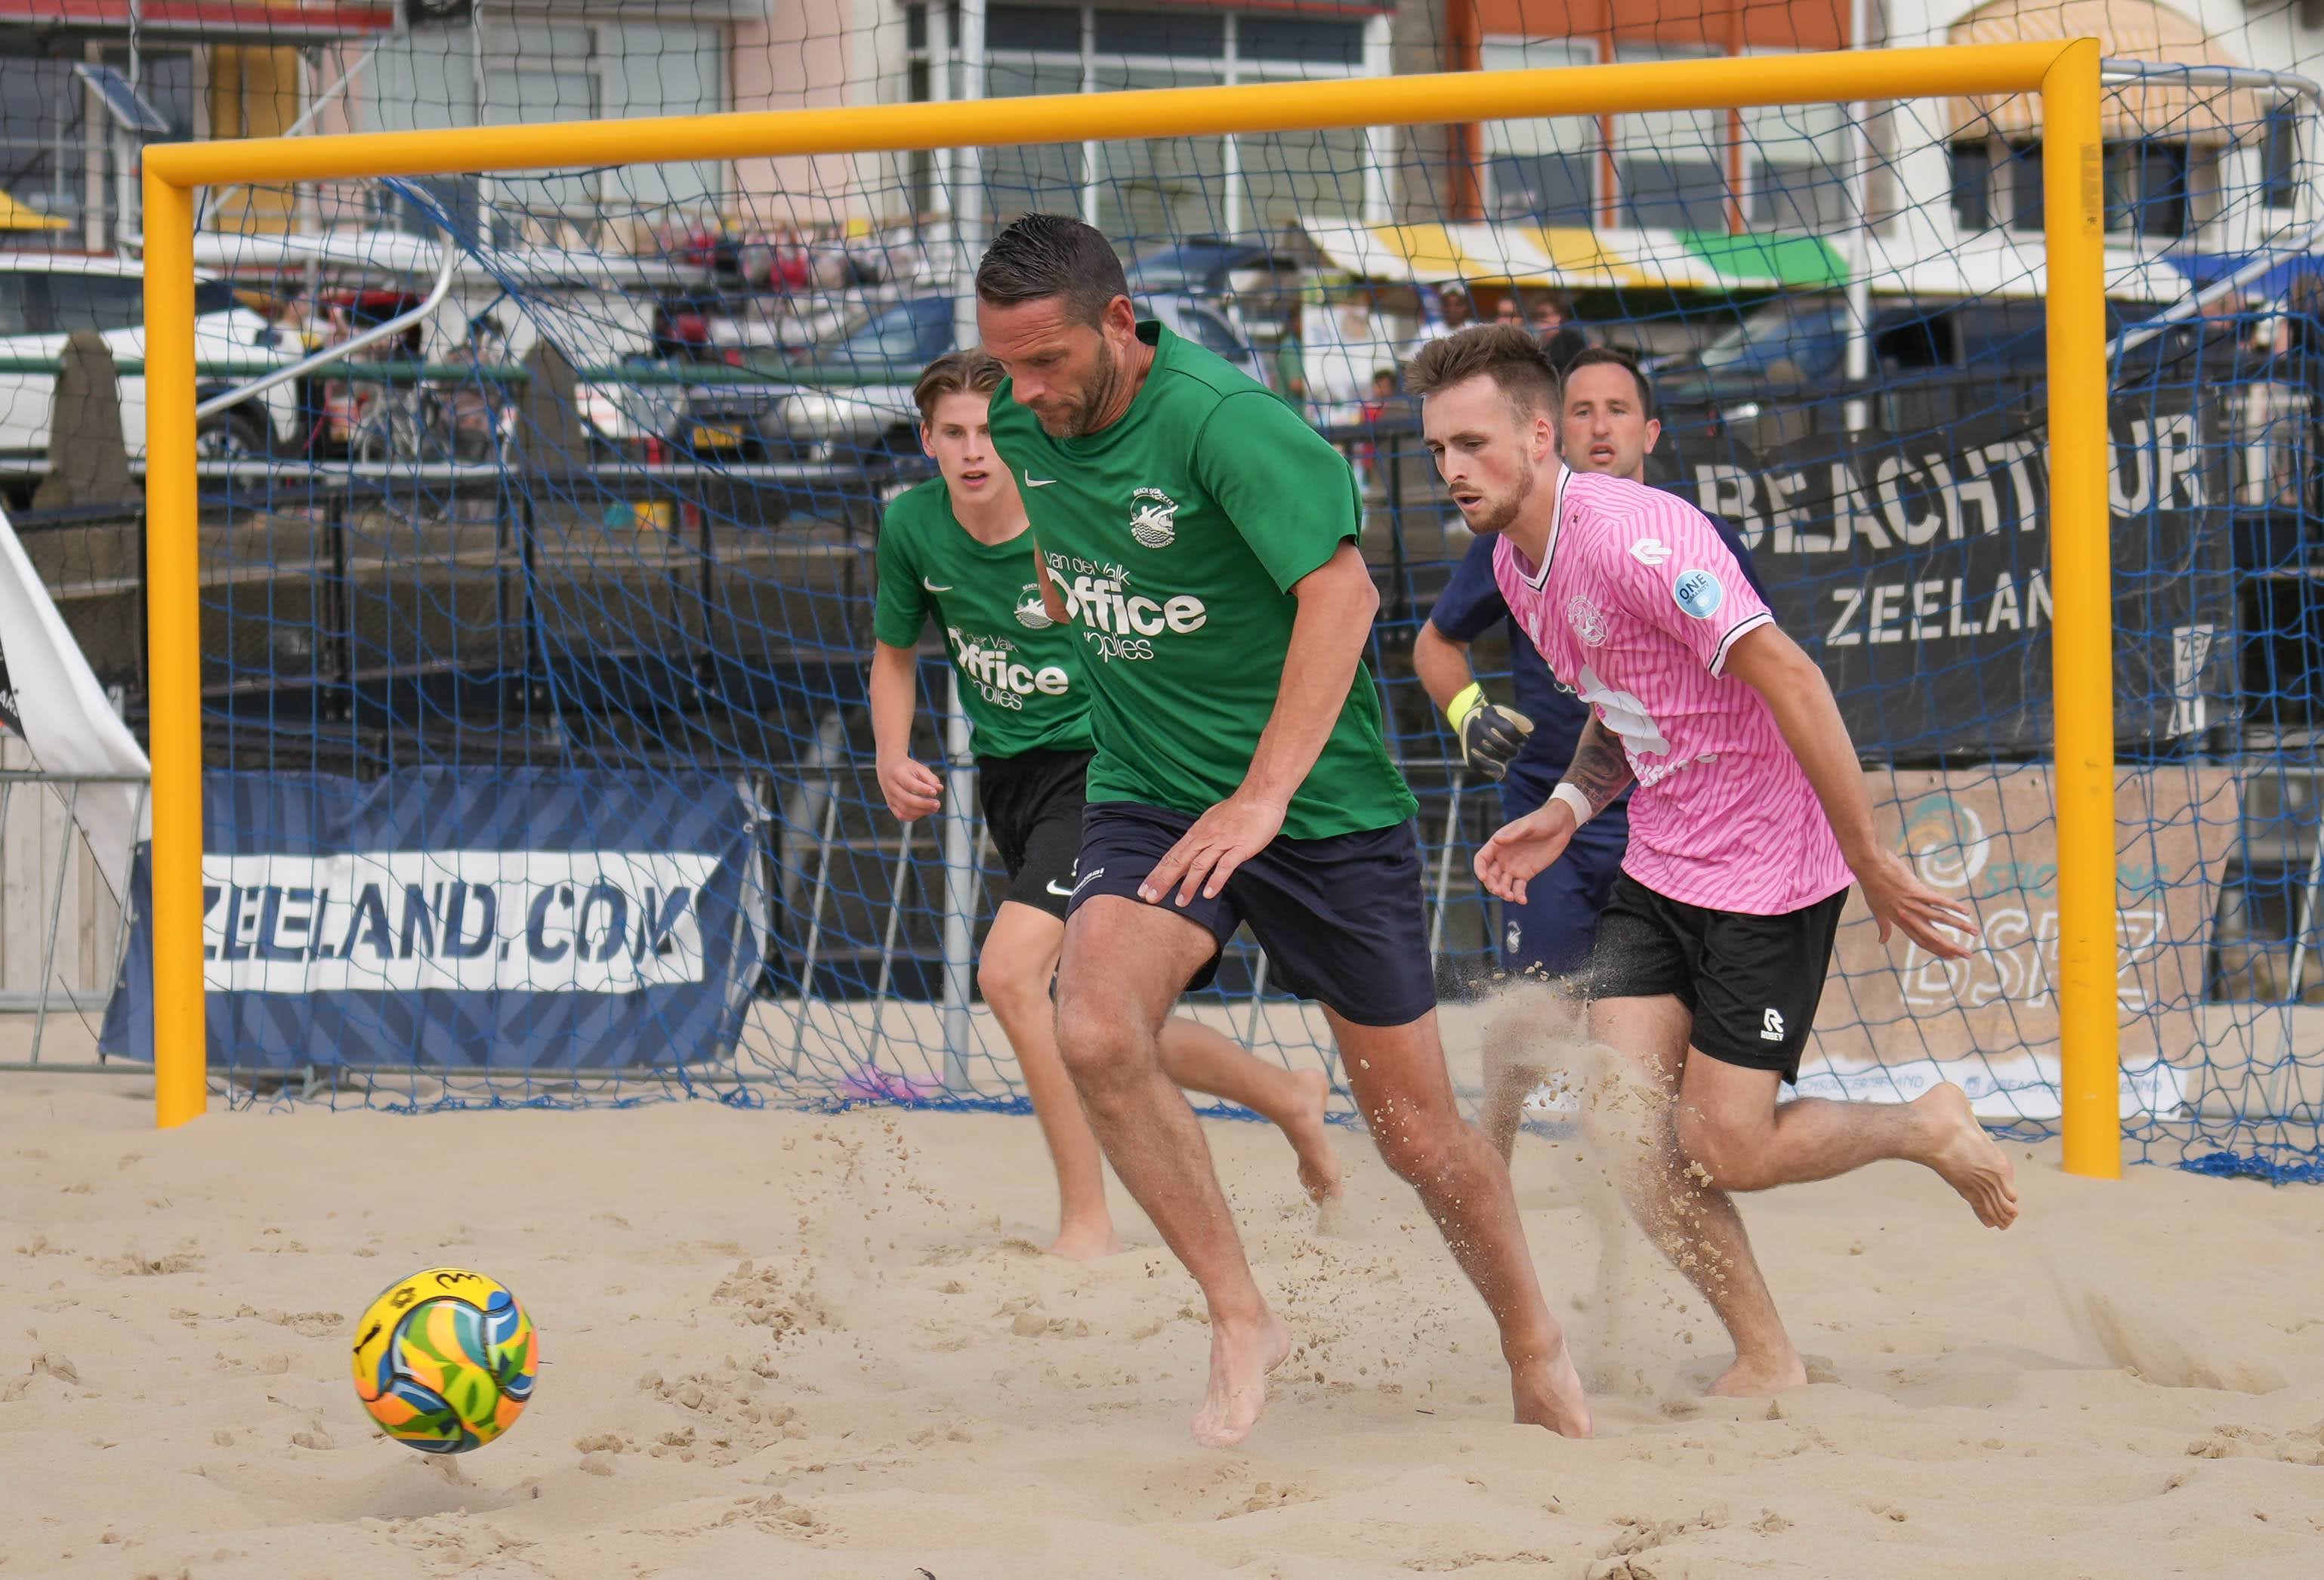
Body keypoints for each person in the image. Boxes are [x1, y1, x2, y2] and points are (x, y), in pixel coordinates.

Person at [974, 214, 1591, 1448]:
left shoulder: (1227, 425)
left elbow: (1344, 595)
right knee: (1092, 1026)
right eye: (1004, 363)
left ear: (1118, 324)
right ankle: (1239, 1311)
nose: (1022, 391)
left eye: (1044, 362)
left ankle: (1532, 1343)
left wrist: (1257, 796)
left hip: (1316, 808)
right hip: (1147, 787)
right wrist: (1072, 590)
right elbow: (1062, 548)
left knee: (1417, 1135)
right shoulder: (1017, 422)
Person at [1408, 325, 2020, 1398]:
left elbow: (1790, 675)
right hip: (1663, 860)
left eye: (1471, 443)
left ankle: (1924, 1126)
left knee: (1726, 1147)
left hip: (1772, 874)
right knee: (1623, 1126)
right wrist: (1564, 804)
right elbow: (1624, 713)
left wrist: (1870, 855)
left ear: (1538, 436)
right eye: (1436, 452)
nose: (1452, 471)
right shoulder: (1514, 563)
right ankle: (1767, 1356)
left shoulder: (1641, 539)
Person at [868, 350, 1344, 1263]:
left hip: (1100, 766)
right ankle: (1285, 1093)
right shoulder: (911, 528)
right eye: (952, 433)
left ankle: (1085, 1217)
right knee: (1098, 1018)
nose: (973, 452)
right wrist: (893, 753)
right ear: (926, 440)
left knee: (1009, 976)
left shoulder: (1061, 511)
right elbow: (894, 651)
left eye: (985, 431)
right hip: (1006, 778)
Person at [1412, 346, 1769, 1159]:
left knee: (1657, 1039)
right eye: (1581, 410)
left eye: (1616, 409)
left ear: (1648, 430)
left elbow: (1767, 672)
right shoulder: (1512, 539)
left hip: (1676, 828)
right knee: (1529, 1009)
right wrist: (1468, 711)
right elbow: (1433, 645)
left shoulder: (1685, 539)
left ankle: (1652, 1176)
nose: (1599, 425)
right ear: (1548, 434)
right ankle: (1489, 1159)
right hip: (1550, 810)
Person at [1530, 292, 1587, 375]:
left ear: (1559, 317)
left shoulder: (1571, 341)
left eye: (1544, 315)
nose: (1542, 320)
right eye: (1539, 316)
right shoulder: (1534, 343)